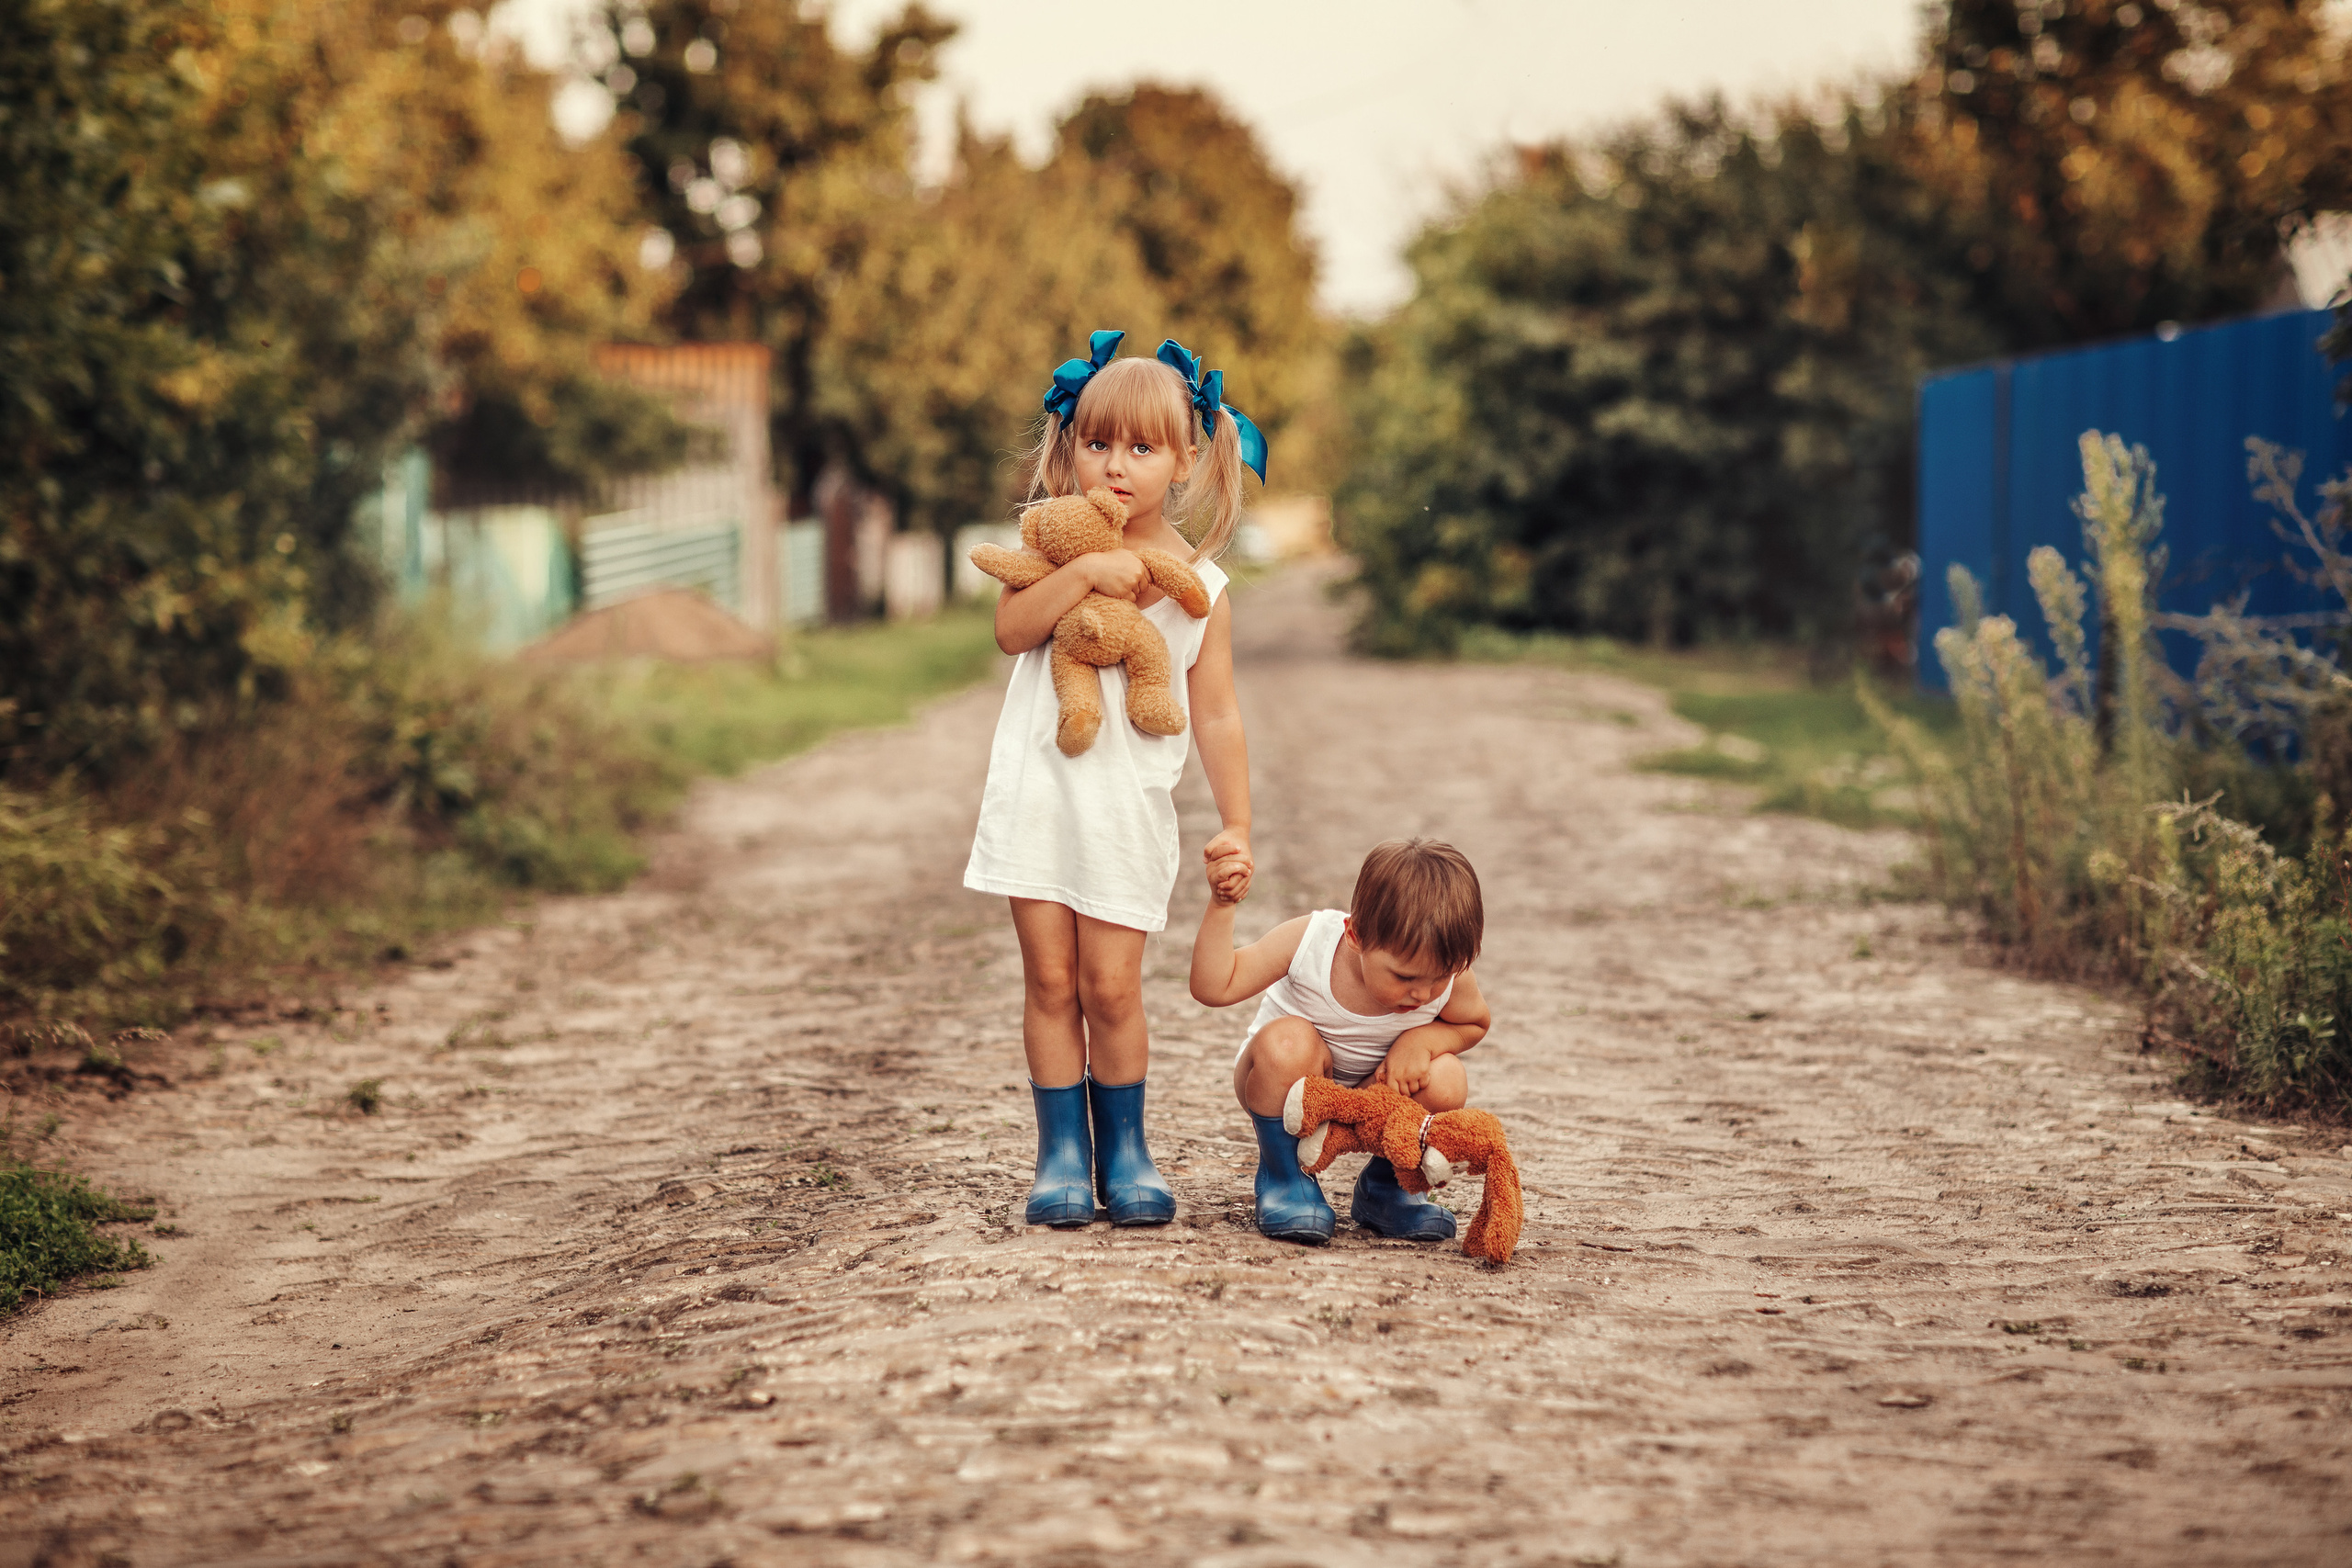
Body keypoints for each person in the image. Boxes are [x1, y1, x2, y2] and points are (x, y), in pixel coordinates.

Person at [965, 330, 1267, 1228]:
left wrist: (1238, 822)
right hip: (1036, 802)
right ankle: (1061, 1155)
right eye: (1097, 444)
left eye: (1140, 448)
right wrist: (1089, 572)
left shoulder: (1198, 589)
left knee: (1112, 986)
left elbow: (1215, 714)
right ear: (1072, 448)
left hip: (1124, 819)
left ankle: (1125, 1149)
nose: (1115, 466)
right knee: (1049, 981)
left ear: (1183, 459)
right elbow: (1012, 631)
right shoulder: (1054, 551)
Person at [1190, 838, 1492, 1246]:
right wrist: (1221, 907)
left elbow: (1475, 1023)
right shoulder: (1311, 942)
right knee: (1288, 1042)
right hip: (1288, 1088)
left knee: (1447, 1077)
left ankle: (1389, 1190)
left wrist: (1422, 1040)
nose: (1424, 994)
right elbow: (1214, 987)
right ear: (1356, 935)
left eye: (1440, 978)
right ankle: (1285, 1178)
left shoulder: (1447, 973)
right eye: (1404, 977)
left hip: (1373, 1101)